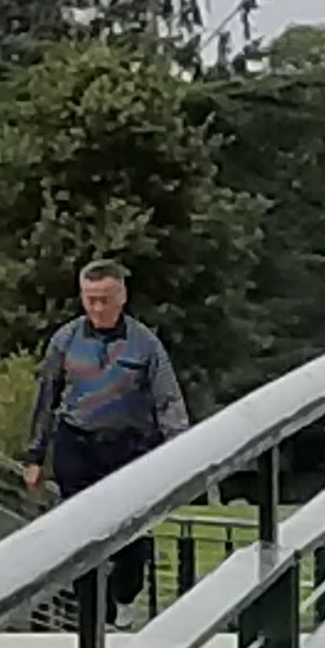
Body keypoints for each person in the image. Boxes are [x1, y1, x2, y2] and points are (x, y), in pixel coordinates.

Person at [24, 259, 193, 615]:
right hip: (77, 444)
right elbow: (46, 398)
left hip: (129, 447)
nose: (98, 307)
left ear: (122, 297)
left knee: (132, 534)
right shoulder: (65, 340)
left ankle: (124, 591)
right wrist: (35, 455)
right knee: (80, 531)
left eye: (105, 298)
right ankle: (91, 609)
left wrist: (181, 452)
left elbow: (168, 400)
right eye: (90, 299)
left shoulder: (145, 344)